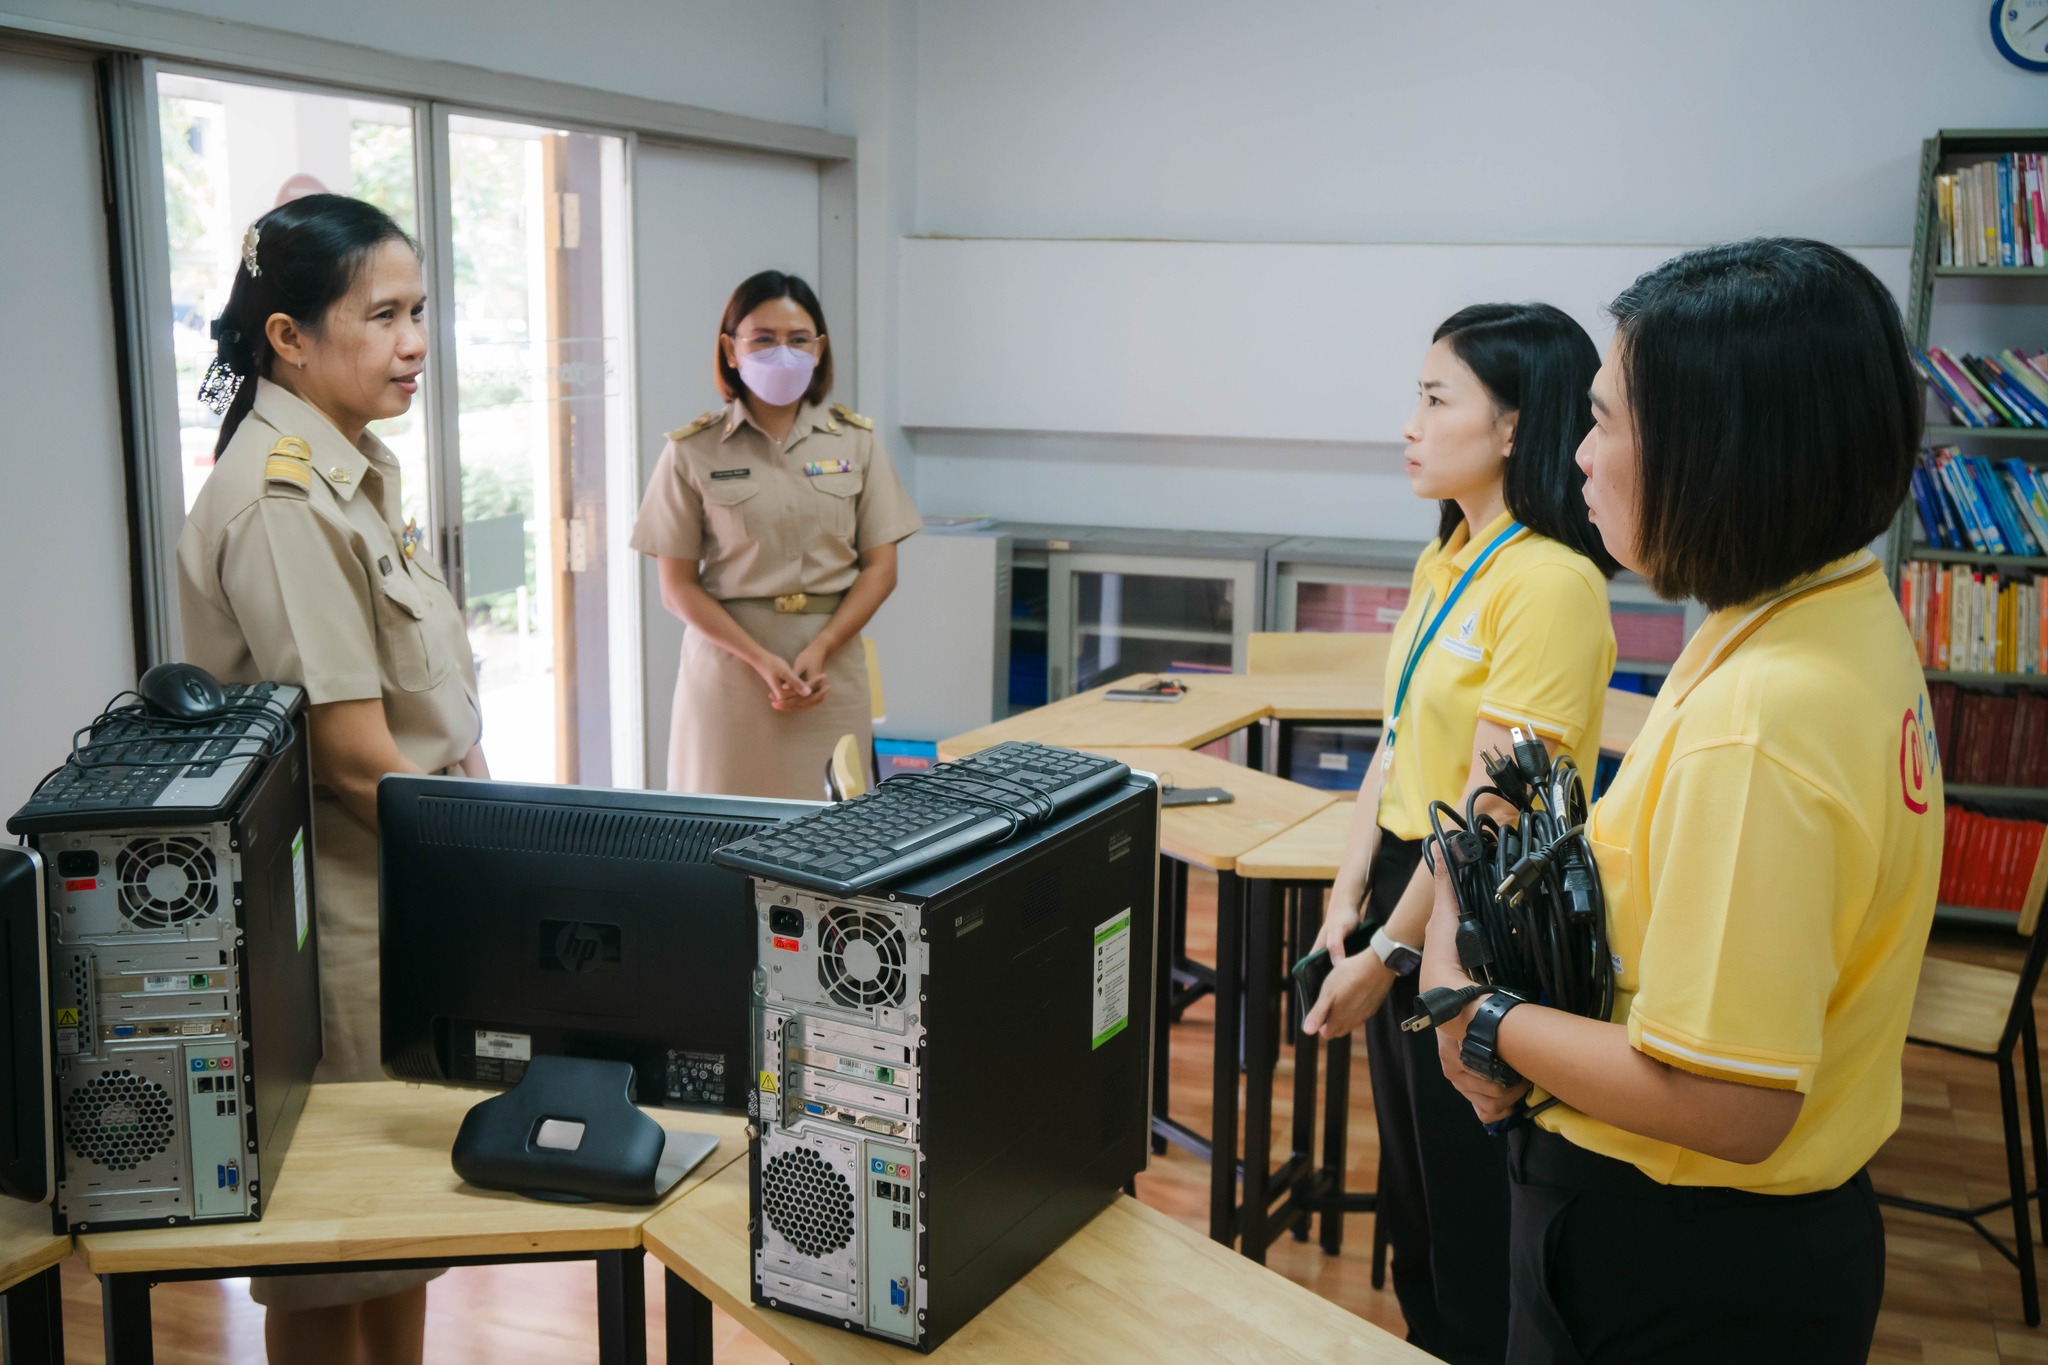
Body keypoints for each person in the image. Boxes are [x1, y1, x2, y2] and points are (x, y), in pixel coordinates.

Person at [1419, 239, 1938, 1364]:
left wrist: (1476, 1013)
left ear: (1717, 452)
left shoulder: (1763, 719)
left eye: (1604, 422)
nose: (1580, 457)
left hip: (1676, 1249)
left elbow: (1726, 1106)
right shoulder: (1829, 611)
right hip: (1749, 1236)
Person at [177, 194, 481, 1365]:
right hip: (343, 906)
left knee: (394, 1232)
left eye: (420, 312)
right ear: (289, 338)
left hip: (401, 874)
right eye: (384, 316)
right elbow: (355, 758)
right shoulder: (285, 498)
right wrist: (495, 860)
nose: (413, 342)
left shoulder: (353, 469)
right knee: (331, 1245)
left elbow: (426, 702)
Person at [1301, 303, 1619, 1363]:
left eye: (1435, 400)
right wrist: (1344, 894)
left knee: (1471, 1210)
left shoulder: (1551, 584)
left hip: (1469, 915)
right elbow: (1395, 744)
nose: (1409, 423)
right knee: (1415, 1201)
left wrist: (1390, 955)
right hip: (1404, 878)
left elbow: (1485, 812)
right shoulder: (1449, 554)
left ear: (1515, 427)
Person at [630, 269, 921, 798]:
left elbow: (881, 569)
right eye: (763, 339)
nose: (781, 352)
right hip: (731, 674)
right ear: (731, 350)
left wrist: (824, 646)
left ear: (819, 349)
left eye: (797, 340)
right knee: (721, 837)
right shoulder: (692, 450)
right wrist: (761, 660)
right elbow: (677, 587)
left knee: (837, 838)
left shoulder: (857, 443)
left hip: (828, 671)